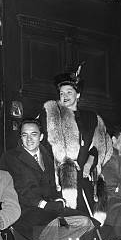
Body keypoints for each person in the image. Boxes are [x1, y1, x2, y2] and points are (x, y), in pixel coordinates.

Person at [0, 119, 95, 240]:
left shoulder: (47, 155)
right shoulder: (10, 157)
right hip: (24, 210)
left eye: (34, 134)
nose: (29, 139)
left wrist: (58, 200)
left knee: (86, 222)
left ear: (41, 136)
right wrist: (44, 204)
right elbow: (18, 190)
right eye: (25, 135)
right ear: (20, 138)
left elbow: (51, 187)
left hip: (47, 208)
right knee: (52, 224)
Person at [40, 65, 112, 212]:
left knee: (91, 215)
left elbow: (98, 147)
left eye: (69, 92)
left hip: (85, 175)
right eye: (61, 93)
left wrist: (88, 164)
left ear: (78, 95)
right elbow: (44, 148)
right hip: (60, 177)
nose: (64, 96)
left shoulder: (91, 118)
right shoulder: (51, 116)